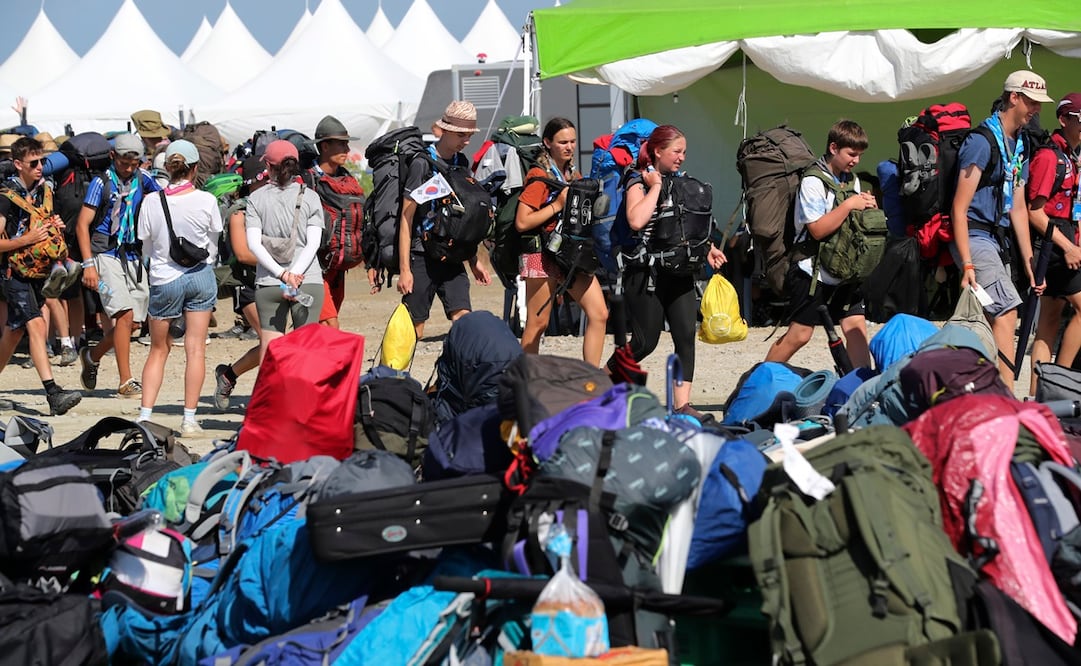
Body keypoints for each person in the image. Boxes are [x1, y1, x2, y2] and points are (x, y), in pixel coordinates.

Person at [613, 125, 726, 416]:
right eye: (676, 151)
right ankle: (598, 383)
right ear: (657, 151)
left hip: (678, 270)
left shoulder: (680, 182)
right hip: (645, 273)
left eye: (684, 152)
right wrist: (655, 186)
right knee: (645, 342)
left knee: (685, 336)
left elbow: (685, 225)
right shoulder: (637, 180)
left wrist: (708, 248)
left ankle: (682, 405)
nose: (681, 157)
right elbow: (636, 220)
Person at [952, 70, 1051, 384]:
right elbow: (958, 209)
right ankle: (1005, 395)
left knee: (988, 315)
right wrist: (967, 263)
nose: (1037, 109)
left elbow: (1018, 207)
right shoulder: (981, 143)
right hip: (973, 236)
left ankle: (980, 386)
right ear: (1013, 97)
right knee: (1007, 310)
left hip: (997, 240)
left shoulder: (1020, 143)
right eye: (1032, 102)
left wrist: (1029, 261)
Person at [764, 120, 876, 370]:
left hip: (845, 268)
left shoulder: (852, 181)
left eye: (859, 155)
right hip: (811, 270)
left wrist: (868, 211)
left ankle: (863, 385)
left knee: (855, 326)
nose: (856, 160)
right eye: (852, 154)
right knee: (800, 335)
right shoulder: (812, 181)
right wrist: (850, 205)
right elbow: (816, 230)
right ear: (834, 148)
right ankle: (757, 381)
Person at [135, 140, 221, 433]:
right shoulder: (207, 200)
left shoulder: (151, 201)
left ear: (167, 168)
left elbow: (146, 247)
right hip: (200, 275)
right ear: (195, 168)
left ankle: (145, 415)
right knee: (195, 350)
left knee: (158, 350)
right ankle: (189, 419)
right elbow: (212, 246)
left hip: (164, 277)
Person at [514, 117, 608, 366]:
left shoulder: (572, 174)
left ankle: (591, 379)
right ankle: (524, 381)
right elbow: (522, 222)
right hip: (541, 254)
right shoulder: (538, 176)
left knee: (599, 313)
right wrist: (557, 205)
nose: (569, 147)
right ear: (548, 143)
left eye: (573, 141)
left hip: (570, 253)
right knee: (538, 323)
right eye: (563, 142)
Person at [0, 136, 82, 414]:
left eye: (42, 162)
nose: (39, 168)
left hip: (37, 272)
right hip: (12, 274)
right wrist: (27, 239)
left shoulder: (42, 192)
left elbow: (41, 227)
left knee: (13, 333)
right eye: (33, 163)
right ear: (17, 164)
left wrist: (53, 225)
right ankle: (53, 394)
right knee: (36, 325)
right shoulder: (5, 198)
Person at [397, 100, 491, 340]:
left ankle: (457, 365)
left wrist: (473, 261)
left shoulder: (461, 163)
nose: (466, 141)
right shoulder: (422, 163)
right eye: (461, 135)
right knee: (414, 330)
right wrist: (405, 270)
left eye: (469, 135)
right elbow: (407, 217)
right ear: (444, 130)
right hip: (421, 254)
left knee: (464, 320)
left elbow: (463, 217)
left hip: (451, 254)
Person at [77, 132, 161, 398]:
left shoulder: (143, 179)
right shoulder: (101, 183)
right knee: (123, 315)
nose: (128, 168)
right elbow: (82, 225)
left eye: (134, 163)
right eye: (124, 162)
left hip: (133, 255)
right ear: (113, 156)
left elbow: (164, 202)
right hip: (104, 254)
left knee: (133, 323)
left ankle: (92, 356)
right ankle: (126, 380)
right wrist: (88, 265)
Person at [245, 140, 325, 360]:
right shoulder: (311, 196)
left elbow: (254, 244)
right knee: (306, 347)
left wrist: (283, 275)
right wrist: (294, 275)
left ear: (268, 166)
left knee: (271, 347)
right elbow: (313, 243)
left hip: (270, 282)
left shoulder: (255, 199)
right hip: (307, 280)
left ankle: (271, 385)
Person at [1027, 92, 1081, 395]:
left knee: (1048, 320)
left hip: (1066, 235)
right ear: (1063, 119)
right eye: (1080, 118)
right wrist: (1069, 247)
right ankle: (1061, 382)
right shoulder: (1049, 157)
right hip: (1053, 242)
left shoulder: (1073, 155)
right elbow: (1034, 212)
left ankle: (1039, 394)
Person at [213, 158, 268, 410]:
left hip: (272, 282)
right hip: (246, 284)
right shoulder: (239, 212)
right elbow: (243, 254)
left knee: (273, 344)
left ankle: (228, 375)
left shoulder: (272, 207)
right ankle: (265, 400)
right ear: (252, 182)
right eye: (265, 179)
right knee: (271, 343)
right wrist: (281, 262)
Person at [305, 115, 359, 329]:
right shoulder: (307, 180)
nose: (347, 149)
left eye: (347, 143)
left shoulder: (347, 178)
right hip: (313, 266)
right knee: (329, 323)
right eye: (341, 144)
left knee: (321, 326)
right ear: (325, 146)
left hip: (336, 267)